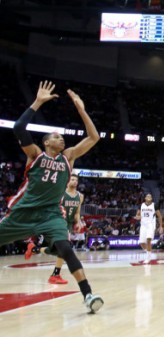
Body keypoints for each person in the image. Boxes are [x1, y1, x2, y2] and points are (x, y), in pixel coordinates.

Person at [0, 81, 103, 313]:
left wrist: (81, 109)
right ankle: (41, 247)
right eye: (56, 137)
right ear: (46, 142)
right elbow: (18, 127)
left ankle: (88, 295)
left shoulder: (68, 157)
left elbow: (94, 137)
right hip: (23, 211)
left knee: (66, 249)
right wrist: (38, 102)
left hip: (51, 213)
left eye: (62, 138)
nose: (61, 140)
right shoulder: (35, 153)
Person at [27, 174, 84, 284]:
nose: (74, 181)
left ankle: (35, 249)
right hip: (59, 223)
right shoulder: (61, 193)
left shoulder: (80, 196)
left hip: (69, 224)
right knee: (65, 250)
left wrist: (79, 222)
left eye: (76, 180)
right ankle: (55, 275)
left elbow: (77, 212)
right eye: (72, 179)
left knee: (60, 251)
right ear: (67, 181)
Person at [135, 193, 163, 264]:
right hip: (143, 225)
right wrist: (137, 217)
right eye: (147, 196)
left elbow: (159, 216)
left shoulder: (154, 205)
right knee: (141, 243)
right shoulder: (141, 205)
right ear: (145, 198)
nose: (149, 197)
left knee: (148, 239)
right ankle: (149, 251)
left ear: (151, 198)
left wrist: (160, 226)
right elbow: (137, 215)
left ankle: (148, 257)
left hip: (151, 224)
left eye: (150, 196)